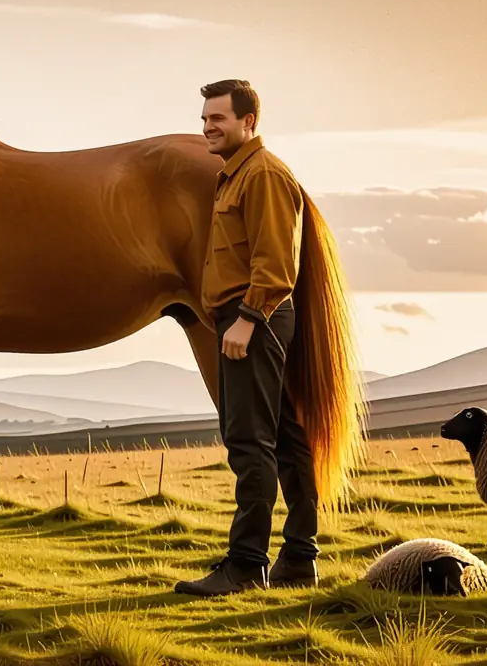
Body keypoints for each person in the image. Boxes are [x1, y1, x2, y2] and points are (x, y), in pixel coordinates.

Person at [174, 78, 320, 596]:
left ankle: (245, 566)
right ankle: (299, 557)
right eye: (204, 119)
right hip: (247, 317)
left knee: (249, 440)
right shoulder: (235, 175)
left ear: (248, 121)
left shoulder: (263, 175)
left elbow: (275, 263)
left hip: (253, 319)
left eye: (218, 118)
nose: (207, 128)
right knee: (282, 436)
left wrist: (247, 319)